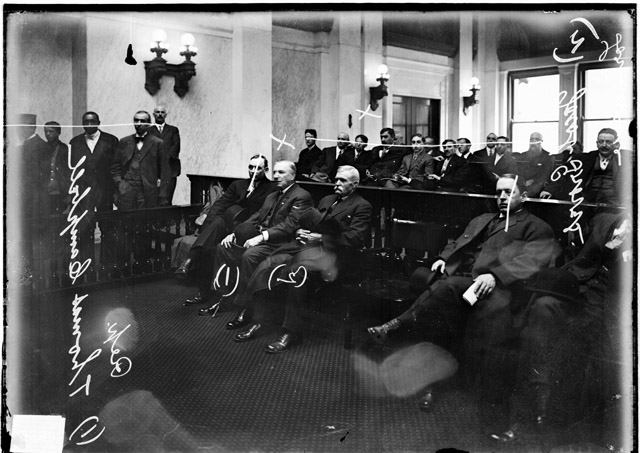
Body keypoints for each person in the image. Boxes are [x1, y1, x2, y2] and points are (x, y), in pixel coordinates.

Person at [367, 174, 557, 412]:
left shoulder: (537, 227)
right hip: (465, 280)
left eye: (509, 192)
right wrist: (443, 259)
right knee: (438, 307)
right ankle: (430, 383)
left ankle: (397, 324)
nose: (502, 197)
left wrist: (496, 276)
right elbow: (456, 243)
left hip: (498, 290)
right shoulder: (482, 219)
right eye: (498, 192)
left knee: (445, 288)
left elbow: (532, 262)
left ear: (524, 196)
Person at [491, 211, 632, 443]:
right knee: (542, 310)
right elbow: (577, 245)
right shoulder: (604, 221)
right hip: (575, 292)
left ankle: (549, 419)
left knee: (576, 345)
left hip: (611, 307)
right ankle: (531, 412)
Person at [231, 165, 372, 351]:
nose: (337, 183)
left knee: (298, 273)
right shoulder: (327, 199)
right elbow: (310, 222)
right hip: (307, 248)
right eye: (336, 179)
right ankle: (259, 319)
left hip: (335, 256)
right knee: (269, 263)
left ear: (354, 185)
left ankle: (290, 331)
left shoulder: (362, 206)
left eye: (343, 181)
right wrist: (300, 231)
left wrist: (320, 238)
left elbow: (356, 237)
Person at [211, 161, 314, 329]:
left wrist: (261, 237)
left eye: (281, 172)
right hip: (262, 238)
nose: (276, 176)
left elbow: (290, 225)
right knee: (224, 247)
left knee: (249, 256)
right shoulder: (273, 195)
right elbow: (257, 217)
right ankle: (223, 297)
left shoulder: (301, 196)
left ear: (293, 175)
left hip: (281, 243)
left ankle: (247, 308)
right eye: (275, 172)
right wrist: (235, 233)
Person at [175, 155, 278, 308]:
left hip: (248, 229)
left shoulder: (272, 188)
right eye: (250, 167)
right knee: (215, 226)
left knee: (214, 245)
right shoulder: (238, 185)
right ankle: (190, 266)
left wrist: (234, 233)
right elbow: (219, 206)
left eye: (258, 168)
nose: (253, 171)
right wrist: (207, 228)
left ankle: (209, 288)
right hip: (229, 224)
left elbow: (261, 215)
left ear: (266, 170)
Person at [541, 128, 629, 206]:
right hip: (588, 203)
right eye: (601, 141)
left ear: (617, 145)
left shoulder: (625, 160)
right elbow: (562, 171)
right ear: (597, 143)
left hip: (615, 204)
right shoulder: (586, 158)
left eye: (608, 142)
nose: (604, 145)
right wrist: (549, 190)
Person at [111, 110, 171, 209]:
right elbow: (115, 166)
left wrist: (162, 195)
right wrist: (120, 184)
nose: (138, 124)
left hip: (148, 190)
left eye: (142, 121)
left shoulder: (158, 143)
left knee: (145, 217)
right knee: (126, 217)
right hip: (126, 189)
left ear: (149, 124)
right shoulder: (124, 141)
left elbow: (165, 171)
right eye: (136, 120)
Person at [69, 111, 120, 213]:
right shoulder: (75, 142)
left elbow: (117, 166)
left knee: (106, 219)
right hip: (83, 191)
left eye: (92, 121)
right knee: (86, 220)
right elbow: (72, 169)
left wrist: (116, 190)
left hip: (105, 190)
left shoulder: (111, 140)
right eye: (86, 122)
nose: (89, 124)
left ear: (98, 123)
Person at [148, 105, 181, 204]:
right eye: (157, 112)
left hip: (170, 168)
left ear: (165, 115)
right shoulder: (148, 131)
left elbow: (176, 146)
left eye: (162, 112)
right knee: (154, 200)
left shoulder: (173, 130)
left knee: (167, 199)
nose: (160, 114)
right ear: (154, 115)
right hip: (153, 169)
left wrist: (165, 157)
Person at [513, 132, 553, 198]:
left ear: (541, 141)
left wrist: (529, 190)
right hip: (521, 190)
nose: (533, 142)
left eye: (536, 139)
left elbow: (544, 178)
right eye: (531, 139)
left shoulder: (547, 158)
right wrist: (523, 183)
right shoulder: (523, 157)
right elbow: (518, 174)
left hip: (538, 193)